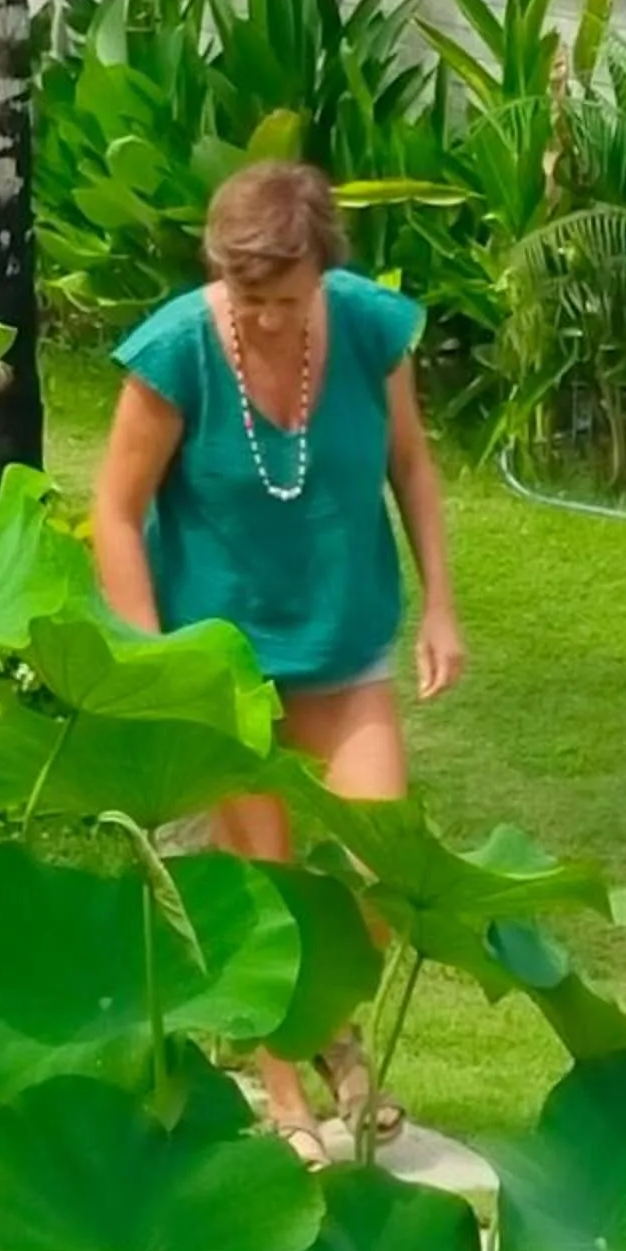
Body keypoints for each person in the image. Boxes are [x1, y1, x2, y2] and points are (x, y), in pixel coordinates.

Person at [89, 158, 466, 1166]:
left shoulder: (370, 330)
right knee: (265, 886)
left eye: (286, 299)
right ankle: (286, 1091)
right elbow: (115, 516)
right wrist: (155, 661)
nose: (264, 319)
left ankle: (328, 1028)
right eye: (247, 298)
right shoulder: (175, 353)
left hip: (344, 644)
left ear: (322, 277)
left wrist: (441, 606)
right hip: (229, 666)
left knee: (383, 869)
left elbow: (412, 463)